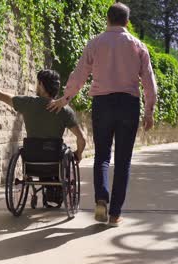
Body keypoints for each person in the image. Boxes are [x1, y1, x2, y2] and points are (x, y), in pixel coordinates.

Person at [47, 2, 158, 227]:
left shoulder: (95, 43)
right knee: (124, 161)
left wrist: (65, 98)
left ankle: (101, 199)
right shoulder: (138, 46)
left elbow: (79, 74)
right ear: (127, 22)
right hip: (129, 104)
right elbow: (149, 82)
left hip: (102, 103)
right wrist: (149, 112)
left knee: (102, 156)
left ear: (107, 19)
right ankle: (115, 214)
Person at [0, 69, 86, 161]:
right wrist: (78, 154)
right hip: (54, 158)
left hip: (32, 157)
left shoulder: (27, 103)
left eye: (37, 83)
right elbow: (82, 139)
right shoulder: (65, 110)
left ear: (41, 85)